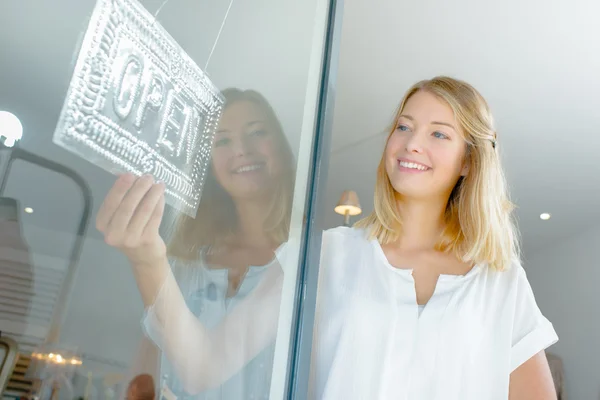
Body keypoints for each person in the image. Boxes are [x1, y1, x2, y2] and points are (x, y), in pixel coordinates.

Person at [98, 77, 558, 400]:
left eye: (439, 133)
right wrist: (148, 259)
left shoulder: (502, 282)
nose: (411, 142)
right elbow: (203, 368)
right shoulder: (325, 255)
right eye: (403, 126)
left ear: (468, 162)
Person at [98, 88, 295, 400]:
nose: (241, 149)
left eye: (257, 133)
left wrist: (147, 260)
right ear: (210, 167)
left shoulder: (306, 263)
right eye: (222, 141)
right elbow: (144, 377)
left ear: (282, 149)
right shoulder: (183, 264)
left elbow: (202, 371)